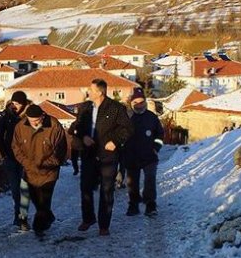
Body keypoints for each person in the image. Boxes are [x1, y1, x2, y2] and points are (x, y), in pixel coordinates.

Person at [72, 79, 133, 236]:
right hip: (88, 154)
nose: (88, 92)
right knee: (85, 187)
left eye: (91, 90)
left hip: (108, 156)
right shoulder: (85, 107)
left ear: (100, 92)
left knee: (106, 190)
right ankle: (88, 218)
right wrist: (83, 136)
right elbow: (76, 126)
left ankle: (104, 224)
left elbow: (127, 129)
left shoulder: (115, 109)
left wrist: (115, 141)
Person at [12, 104, 68, 237]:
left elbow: (61, 151)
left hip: (49, 173)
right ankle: (48, 217)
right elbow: (16, 148)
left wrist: (46, 164)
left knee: (44, 201)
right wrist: (27, 164)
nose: (34, 123)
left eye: (37, 120)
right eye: (31, 120)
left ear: (42, 116)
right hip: (30, 172)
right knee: (37, 201)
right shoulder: (20, 127)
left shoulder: (54, 126)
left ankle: (39, 227)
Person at [123, 88, 164, 217]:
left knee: (149, 180)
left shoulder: (152, 118)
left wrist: (156, 148)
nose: (139, 105)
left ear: (145, 102)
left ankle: (150, 204)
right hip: (131, 157)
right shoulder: (126, 118)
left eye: (141, 102)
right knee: (132, 182)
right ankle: (133, 204)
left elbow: (160, 134)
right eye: (136, 102)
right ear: (131, 103)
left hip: (149, 157)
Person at [0, 90, 32, 230]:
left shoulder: (29, 117)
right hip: (10, 158)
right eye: (14, 103)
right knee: (16, 189)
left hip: (26, 159)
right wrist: (3, 155)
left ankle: (23, 217)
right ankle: (18, 215)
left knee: (25, 189)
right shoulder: (6, 117)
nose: (16, 106)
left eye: (19, 103)